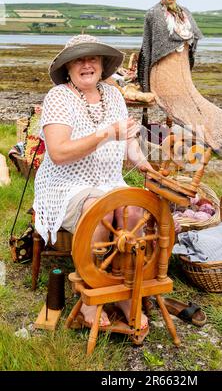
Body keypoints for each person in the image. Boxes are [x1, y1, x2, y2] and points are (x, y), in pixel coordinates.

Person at [33, 34, 152, 328]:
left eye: (93, 58)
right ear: (69, 67)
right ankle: (92, 295)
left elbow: (129, 144)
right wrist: (105, 134)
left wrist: (145, 166)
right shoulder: (59, 97)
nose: (87, 64)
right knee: (100, 208)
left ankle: (123, 293)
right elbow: (59, 153)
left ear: (102, 64)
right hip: (66, 184)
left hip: (109, 180)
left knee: (134, 210)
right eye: (79, 59)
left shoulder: (113, 95)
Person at [137, 0, 222, 157]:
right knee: (176, 106)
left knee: (195, 103)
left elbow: (192, 44)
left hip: (182, 69)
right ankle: (192, 140)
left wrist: (188, 65)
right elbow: (147, 47)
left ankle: (219, 135)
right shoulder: (154, 14)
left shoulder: (185, 13)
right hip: (162, 71)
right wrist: (144, 80)